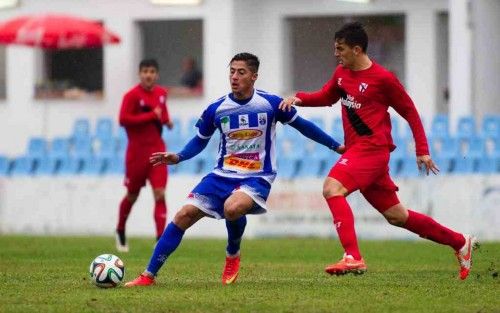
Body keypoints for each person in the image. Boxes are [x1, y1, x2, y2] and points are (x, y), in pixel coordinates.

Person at [124, 52, 344, 287]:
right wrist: (178, 156)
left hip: (257, 176)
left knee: (233, 207)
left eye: (241, 72)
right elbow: (200, 140)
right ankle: (148, 276)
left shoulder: (270, 104)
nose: (234, 77)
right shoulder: (217, 109)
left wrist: (336, 145)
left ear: (254, 77)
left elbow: (305, 127)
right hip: (222, 174)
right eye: (232, 71)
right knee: (183, 215)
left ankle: (232, 252)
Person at [279, 22, 478, 280]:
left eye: (340, 49)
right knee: (397, 216)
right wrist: (299, 98)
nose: (336, 54)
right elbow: (327, 96)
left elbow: (409, 112)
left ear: (357, 49)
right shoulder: (341, 73)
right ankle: (461, 242)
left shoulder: (384, 79)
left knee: (331, 188)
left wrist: (422, 149)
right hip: (360, 151)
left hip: (372, 150)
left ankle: (353, 257)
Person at [116, 58, 174, 252]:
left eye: (152, 71)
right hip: (137, 153)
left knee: (160, 193)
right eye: (145, 71)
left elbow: (162, 114)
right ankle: (120, 230)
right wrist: (151, 116)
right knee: (132, 195)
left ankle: (160, 239)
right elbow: (123, 119)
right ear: (139, 74)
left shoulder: (161, 94)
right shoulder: (131, 96)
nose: (148, 75)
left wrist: (167, 121)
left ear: (156, 75)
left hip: (157, 150)